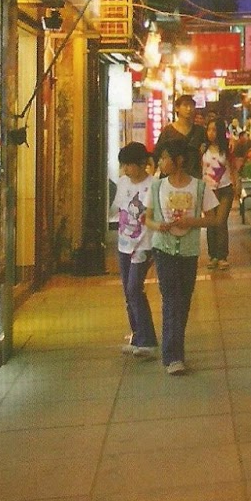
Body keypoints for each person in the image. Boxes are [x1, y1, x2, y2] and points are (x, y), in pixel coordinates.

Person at [145, 138, 221, 375]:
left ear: (178, 160)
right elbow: (147, 218)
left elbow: (213, 219)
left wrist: (192, 222)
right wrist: (158, 226)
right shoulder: (157, 186)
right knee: (171, 300)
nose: (160, 162)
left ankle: (175, 349)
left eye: (164, 158)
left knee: (184, 301)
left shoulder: (199, 187)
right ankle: (173, 357)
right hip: (163, 249)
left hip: (189, 251)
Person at [110, 142, 157, 358]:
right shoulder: (122, 183)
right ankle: (137, 337)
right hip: (124, 244)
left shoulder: (153, 185)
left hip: (143, 244)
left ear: (141, 164)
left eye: (129, 165)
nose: (126, 169)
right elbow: (119, 208)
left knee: (134, 289)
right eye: (123, 165)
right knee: (128, 293)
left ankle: (147, 340)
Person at [200, 118, 235, 271]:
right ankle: (213, 255)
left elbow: (233, 167)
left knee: (220, 221)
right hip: (208, 190)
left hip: (225, 188)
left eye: (214, 130)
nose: (211, 133)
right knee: (211, 223)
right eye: (209, 130)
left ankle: (222, 256)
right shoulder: (203, 149)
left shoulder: (227, 148)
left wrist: (237, 184)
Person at [156, 93, 207, 178]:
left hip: (193, 176)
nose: (189, 109)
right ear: (177, 108)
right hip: (171, 177)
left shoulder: (200, 131)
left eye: (191, 106)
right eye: (185, 105)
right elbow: (158, 152)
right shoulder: (168, 131)